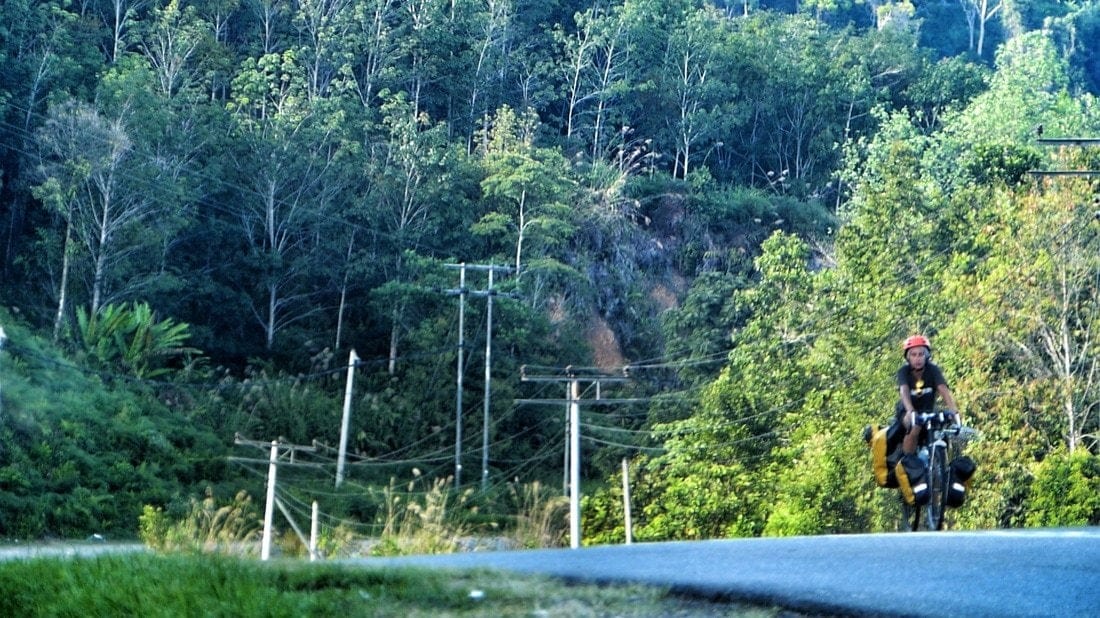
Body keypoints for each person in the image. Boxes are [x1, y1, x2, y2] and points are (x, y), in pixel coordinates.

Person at [895, 335, 961, 455]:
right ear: (908, 357)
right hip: (907, 411)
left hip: (928, 410)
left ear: (927, 356)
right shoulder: (903, 372)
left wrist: (954, 410)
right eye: (913, 355)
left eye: (921, 354)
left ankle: (942, 463)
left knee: (943, 428)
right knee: (915, 426)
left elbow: (943, 390)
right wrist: (910, 411)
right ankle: (907, 459)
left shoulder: (933, 370)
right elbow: (904, 391)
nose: (917, 358)